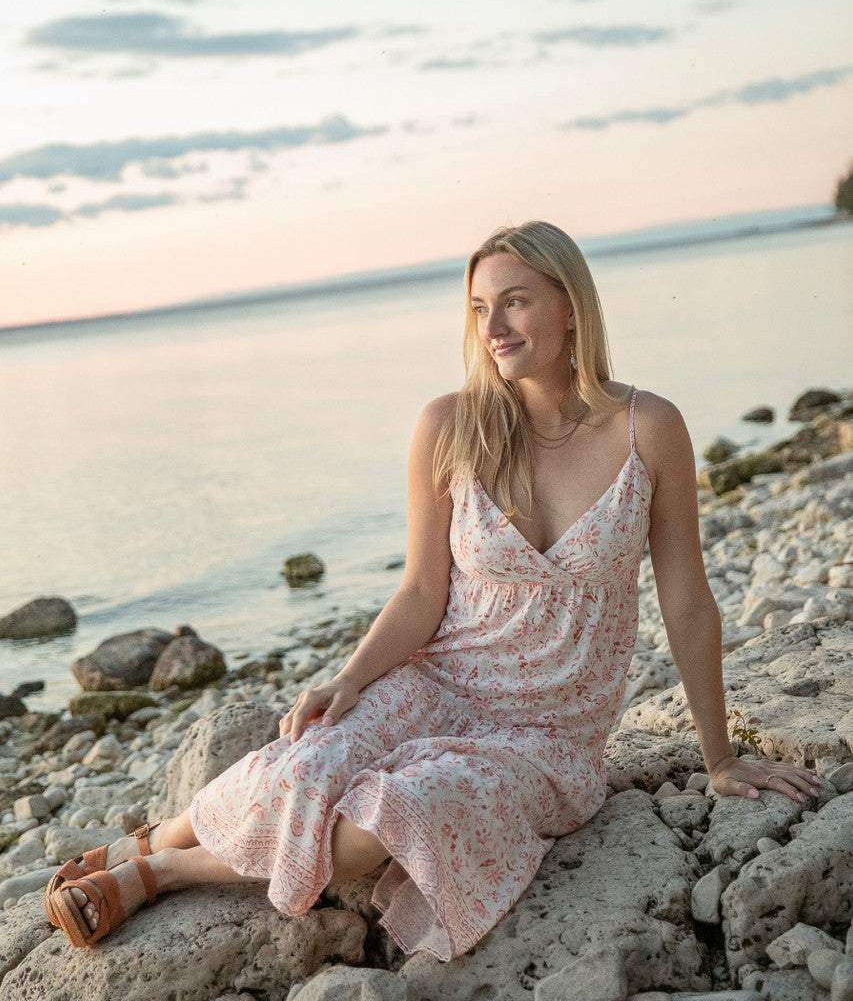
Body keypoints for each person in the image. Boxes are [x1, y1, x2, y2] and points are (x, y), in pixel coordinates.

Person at [45, 220, 821, 956]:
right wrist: (348, 679)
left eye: (515, 301)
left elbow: (686, 599)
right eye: (480, 307)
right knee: (308, 760)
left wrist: (719, 758)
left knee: (401, 813)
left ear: (571, 308)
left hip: (545, 735)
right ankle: (159, 835)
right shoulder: (452, 426)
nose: (495, 326)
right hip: (439, 678)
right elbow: (421, 590)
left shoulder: (645, 427)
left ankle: (163, 871)